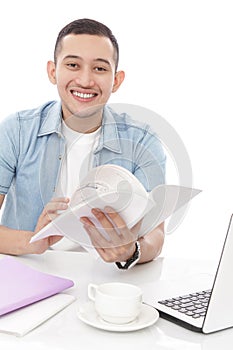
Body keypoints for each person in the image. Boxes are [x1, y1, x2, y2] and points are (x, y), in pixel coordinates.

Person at [0, 18, 166, 268]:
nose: (85, 81)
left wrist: (131, 251)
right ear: (53, 71)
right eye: (73, 65)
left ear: (117, 80)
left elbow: (156, 234)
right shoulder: (17, 130)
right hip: (30, 272)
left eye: (99, 69)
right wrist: (32, 241)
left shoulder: (142, 139)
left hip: (109, 279)